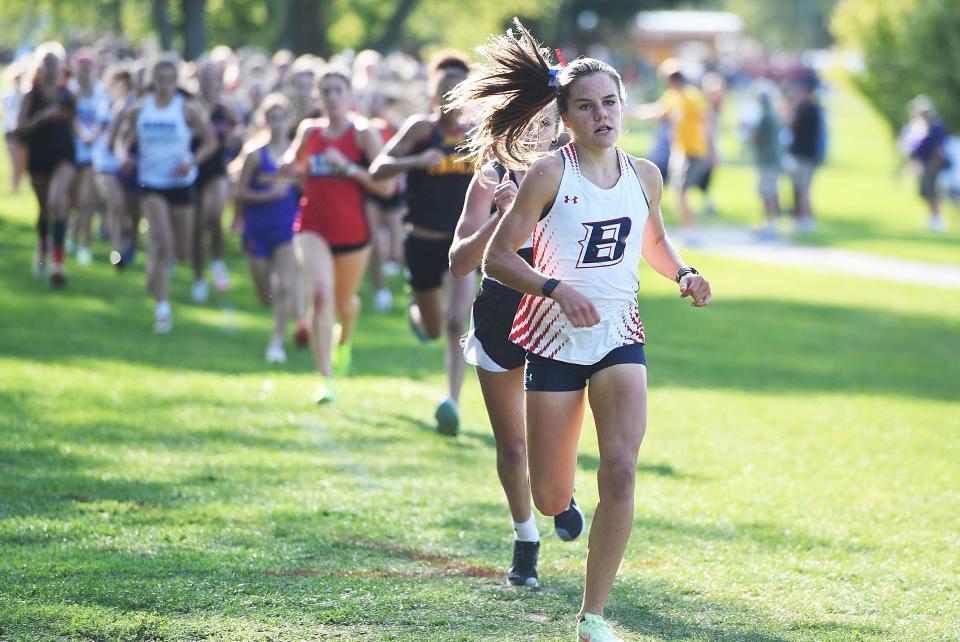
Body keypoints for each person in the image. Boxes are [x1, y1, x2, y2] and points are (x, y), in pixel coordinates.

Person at [457, 20, 711, 641]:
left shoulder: (645, 174)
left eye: (610, 103)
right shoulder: (549, 173)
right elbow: (497, 258)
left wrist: (684, 273)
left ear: (624, 106)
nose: (602, 114)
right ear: (565, 116)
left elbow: (651, 240)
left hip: (620, 337)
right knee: (548, 495)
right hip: (551, 342)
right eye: (587, 106)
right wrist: (554, 288)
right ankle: (556, 508)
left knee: (621, 469)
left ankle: (592, 616)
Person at [448, 105, 585, 588]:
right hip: (500, 311)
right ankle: (525, 538)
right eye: (528, 122)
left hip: (555, 313)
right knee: (512, 440)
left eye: (546, 122)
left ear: (559, 126)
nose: (536, 130)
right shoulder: (490, 173)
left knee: (553, 434)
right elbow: (460, 263)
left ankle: (561, 496)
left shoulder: (574, 171)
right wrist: (500, 220)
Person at [369, 50, 476, 435]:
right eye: (445, 88)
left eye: (459, 88)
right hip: (423, 242)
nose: (452, 95)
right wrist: (415, 162)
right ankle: (416, 313)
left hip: (462, 245)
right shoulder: (421, 129)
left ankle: (452, 402)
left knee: (456, 323)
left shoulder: (479, 134)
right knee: (432, 327)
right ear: (434, 94)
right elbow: (378, 167)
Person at [281, 66, 394, 402]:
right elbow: (294, 162)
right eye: (325, 91)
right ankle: (325, 379)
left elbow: (387, 186)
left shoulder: (363, 134)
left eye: (337, 90)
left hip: (352, 231)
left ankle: (344, 338)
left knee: (344, 303)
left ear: (350, 96)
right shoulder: (310, 131)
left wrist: (347, 168)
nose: (331, 97)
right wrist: (288, 167)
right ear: (318, 97)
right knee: (320, 293)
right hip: (311, 226)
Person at [123, 58, 217, 333]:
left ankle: (155, 258)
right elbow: (123, 140)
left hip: (181, 183)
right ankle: (162, 310)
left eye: (169, 79)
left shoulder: (187, 109)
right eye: (160, 79)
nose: (165, 85)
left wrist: (193, 161)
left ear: (176, 82)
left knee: (182, 251)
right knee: (164, 244)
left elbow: (211, 141)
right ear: (153, 81)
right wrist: (123, 156)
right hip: (151, 184)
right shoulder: (141, 109)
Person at [236, 93, 299, 364]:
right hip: (257, 228)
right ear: (266, 121)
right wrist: (265, 196)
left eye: (282, 118)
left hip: (288, 227)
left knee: (284, 286)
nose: (278, 124)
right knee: (265, 293)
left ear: (289, 120)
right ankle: (272, 308)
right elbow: (240, 193)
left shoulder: (297, 155)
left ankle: (277, 343)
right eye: (272, 119)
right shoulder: (254, 154)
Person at [16, 42, 77, 287]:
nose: (52, 68)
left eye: (56, 63)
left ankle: (58, 263)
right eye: (48, 63)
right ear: (40, 66)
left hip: (64, 155)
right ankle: (42, 249)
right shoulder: (32, 95)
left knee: (57, 201)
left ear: (62, 66)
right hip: (40, 157)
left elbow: (74, 127)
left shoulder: (68, 95)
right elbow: (19, 127)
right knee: (44, 209)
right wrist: (42, 117)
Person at [636, 60, 712, 244]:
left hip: (692, 151)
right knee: (679, 193)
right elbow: (660, 112)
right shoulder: (673, 95)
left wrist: (711, 150)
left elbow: (706, 123)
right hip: (681, 151)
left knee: (680, 192)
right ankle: (689, 231)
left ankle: (692, 232)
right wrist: (635, 112)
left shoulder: (692, 97)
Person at [191, 60, 239, 301]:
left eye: (213, 76)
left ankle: (218, 261)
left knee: (215, 214)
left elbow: (236, 134)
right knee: (197, 225)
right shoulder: (189, 106)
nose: (208, 81)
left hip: (217, 168)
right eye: (204, 76)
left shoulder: (225, 108)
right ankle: (199, 277)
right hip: (192, 168)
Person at [69, 49, 104, 266]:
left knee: (87, 199)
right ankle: (72, 233)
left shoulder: (100, 92)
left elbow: (103, 119)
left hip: (93, 153)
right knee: (73, 199)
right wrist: (82, 133)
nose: (84, 72)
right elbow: (70, 117)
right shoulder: (71, 91)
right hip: (72, 151)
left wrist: (92, 136)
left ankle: (86, 243)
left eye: (88, 68)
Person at [907, 95, 950, 232]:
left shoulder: (935, 126)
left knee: (932, 191)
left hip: (932, 163)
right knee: (925, 192)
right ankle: (933, 217)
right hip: (922, 163)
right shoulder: (918, 125)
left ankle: (937, 219)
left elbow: (938, 147)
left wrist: (935, 163)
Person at [787, 75, 823, 233]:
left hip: (803, 155)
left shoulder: (806, 108)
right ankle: (805, 217)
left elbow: (792, 125)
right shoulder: (815, 108)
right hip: (808, 154)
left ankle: (804, 218)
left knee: (802, 188)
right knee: (803, 188)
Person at [752, 90, 782, 239]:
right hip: (773, 159)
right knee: (770, 191)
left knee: (766, 192)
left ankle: (770, 224)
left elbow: (758, 138)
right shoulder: (774, 116)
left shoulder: (765, 117)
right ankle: (769, 223)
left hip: (767, 160)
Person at [2, 63, 27, 193]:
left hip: (22, 132)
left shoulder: (26, 94)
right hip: (10, 131)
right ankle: (15, 189)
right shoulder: (7, 96)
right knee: (14, 162)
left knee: (22, 164)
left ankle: (18, 188)